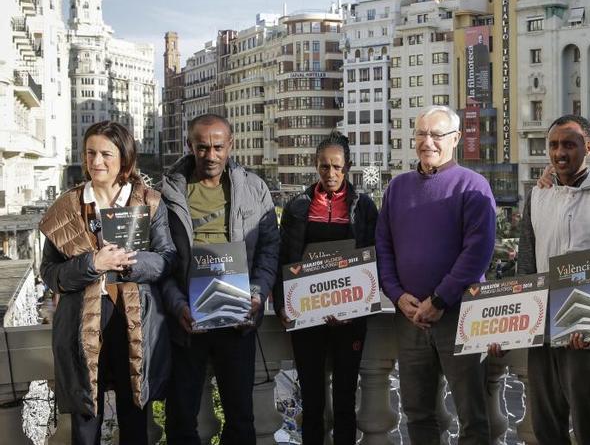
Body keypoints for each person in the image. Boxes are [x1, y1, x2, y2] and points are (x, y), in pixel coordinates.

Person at [40, 121, 176, 445]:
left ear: (124, 159)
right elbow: (50, 273)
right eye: (90, 153)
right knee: (86, 420)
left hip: (134, 320)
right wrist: (93, 264)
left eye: (105, 154)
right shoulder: (68, 206)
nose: (96, 162)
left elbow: (167, 258)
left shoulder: (149, 201)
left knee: (134, 414)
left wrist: (132, 263)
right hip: (80, 323)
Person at [375, 105, 496, 445]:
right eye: (421, 134)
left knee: (472, 416)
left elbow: (478, 253)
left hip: (458, 316)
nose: (427, 141)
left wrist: (440, 299)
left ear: (455, 139)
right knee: (417, 413)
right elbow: (383, 248)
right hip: (409, 318)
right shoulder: (397, 188)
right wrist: (397, 296)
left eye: (436, 134)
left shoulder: (473, 186)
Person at [160, 114, 279, 445]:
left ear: (231, 146)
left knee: (241, 419)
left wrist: (257, 295)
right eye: (202, 148)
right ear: (190, 146)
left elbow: (270, 249)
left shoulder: (254, 188)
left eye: (217, 147)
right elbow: (162, 260)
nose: (210, 156)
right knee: (181, 419)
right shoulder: (168, 192)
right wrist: (178, 305)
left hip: (237, 320)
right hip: (186, 323)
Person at [502, 115, 590, 444]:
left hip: (587, 332)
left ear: (588, 147)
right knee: (546, 426)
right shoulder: (538, 195)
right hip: (543, 329)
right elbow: (526, 262)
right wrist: (516, 323)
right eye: (553, 145)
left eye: (569, 144)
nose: (559, 152)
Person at [273, 132, 378, 445]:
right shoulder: (297, 208)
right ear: (315, 167)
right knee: (313, 399)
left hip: (351, 317)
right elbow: (283, 258)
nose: (330, 174)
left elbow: (374, 258)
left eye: (336, 167)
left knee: (346, 397)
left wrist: (354, 308)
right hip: (306, 318)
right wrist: (281, 304)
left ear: (347, 167)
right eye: (323, 167)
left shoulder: (364, 208)